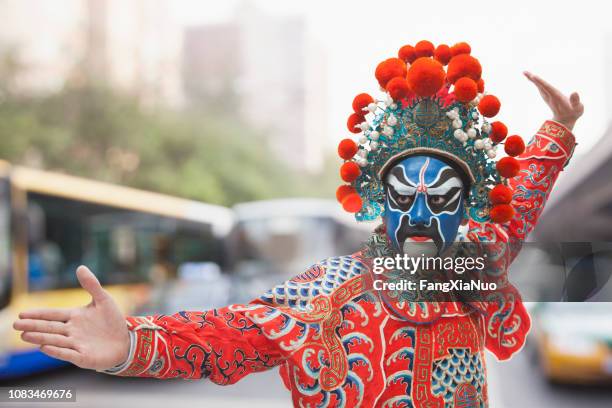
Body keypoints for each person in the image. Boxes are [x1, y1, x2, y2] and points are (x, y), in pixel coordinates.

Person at [14, 41, 583, 407]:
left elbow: (522, 203)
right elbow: (229, 336)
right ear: (377, 201)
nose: (418, 213)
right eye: (403, 192)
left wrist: (557, 130)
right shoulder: (329, 294)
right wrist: (130, 344)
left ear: (468, 208)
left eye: (442, 196)